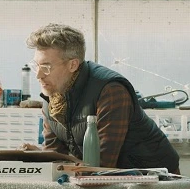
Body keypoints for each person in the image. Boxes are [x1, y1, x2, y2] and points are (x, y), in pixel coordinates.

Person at [22, 23, 180, 173]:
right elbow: (55, 158)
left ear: (73, 65)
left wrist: (57, 161)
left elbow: (103, 164)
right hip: (110, 178)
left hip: (156, 180)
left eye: (46, 67)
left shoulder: (110, 91)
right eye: (36, 65)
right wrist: (38, 157)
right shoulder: (53, 95)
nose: (39, 75)